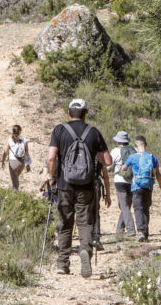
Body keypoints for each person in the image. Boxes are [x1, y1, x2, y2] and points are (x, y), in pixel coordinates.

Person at [46, 98, 112, 278]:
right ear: (85, 114)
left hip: (64, 185)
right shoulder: (93, 132)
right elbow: (108, 161)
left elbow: (51, 158)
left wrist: (51, 177)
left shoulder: (59, 130)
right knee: (85, 223)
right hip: (87, 186)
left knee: (65, 223)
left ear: (69, 113)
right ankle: (86, 252)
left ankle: (62, 263)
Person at [124, 135, 160, 241]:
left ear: (136, 146)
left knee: (138, 209)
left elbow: (124, 167)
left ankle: (140, 232)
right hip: (148, 186)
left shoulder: (133, 157)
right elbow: (158, 173)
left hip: (136, 186)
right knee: (146, 209)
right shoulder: (152, 156)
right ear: (146, 145)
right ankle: (146, 233)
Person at [110, 130, 136, 236]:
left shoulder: (115, 151)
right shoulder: (133, 150)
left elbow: (109, 167)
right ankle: (119, 230)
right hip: (131, 181)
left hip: (119, 181)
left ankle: (131, 229)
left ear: (118, 141)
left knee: (124, 206)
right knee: (126, 206)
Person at [1, 125, 31, 190]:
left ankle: (15, 195)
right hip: (21, 163)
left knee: (15, 182)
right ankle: (15, 194)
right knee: (16, 178)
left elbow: (6, 152)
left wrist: (3, 161)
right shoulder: (24, 140)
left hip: (13, 163)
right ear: (20, 131)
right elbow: (26, 153)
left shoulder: (10, 140)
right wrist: (28, 164)